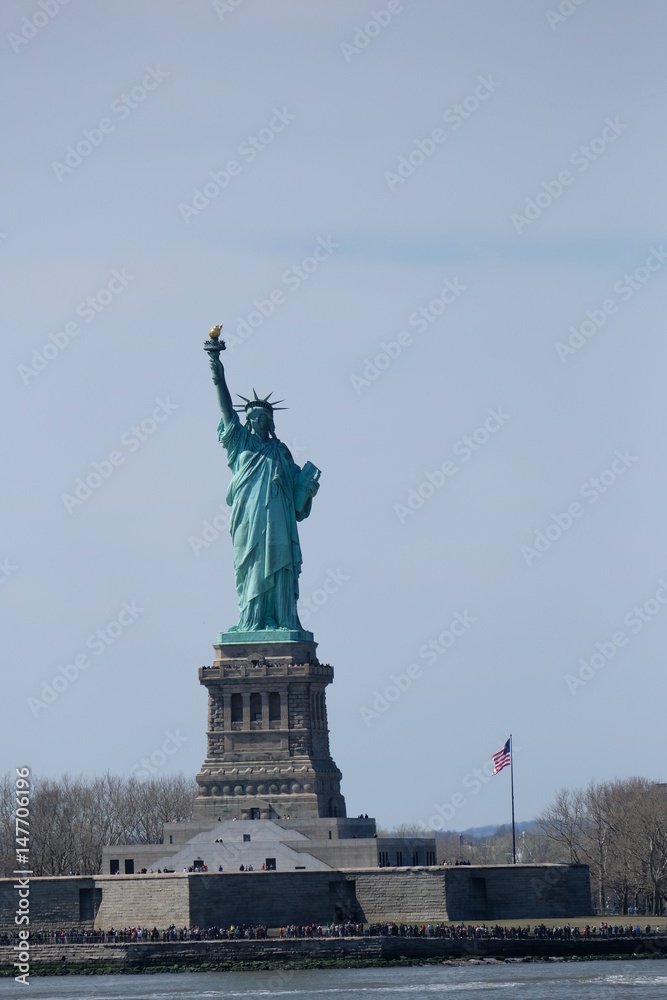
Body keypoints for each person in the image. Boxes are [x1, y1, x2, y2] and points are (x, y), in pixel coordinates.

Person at [207, 342, 320, 632]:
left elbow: (298, 502)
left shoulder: (281, 451)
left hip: (280, 520)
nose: (256, 421)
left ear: (270, 422)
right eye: (251, 417)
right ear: (246, 421)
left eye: (262, 418)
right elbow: (224, 405)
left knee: (281, 566)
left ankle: (282, 619)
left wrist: (307, 489)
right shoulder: (240, 443)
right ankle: (252, 620)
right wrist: (215, 364)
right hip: (248, 517)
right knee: (251, 566)